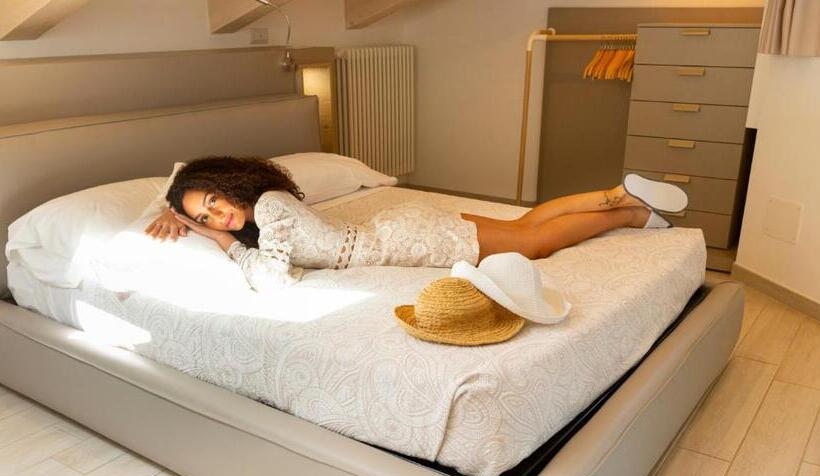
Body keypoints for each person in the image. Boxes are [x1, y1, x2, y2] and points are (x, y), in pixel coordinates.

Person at [146, 156, 686, 291]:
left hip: (410, 239)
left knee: (535, 243)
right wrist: (176, 214)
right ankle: (619, 198)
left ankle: (630, 210)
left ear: (228, 183)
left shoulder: (267, 209)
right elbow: (178, 182)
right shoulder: (265, 207)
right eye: (204, 215)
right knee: (524, 225)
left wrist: (220, 239)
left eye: (214, 201)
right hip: (398, 227)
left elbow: (273, 280)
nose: (216, 215)